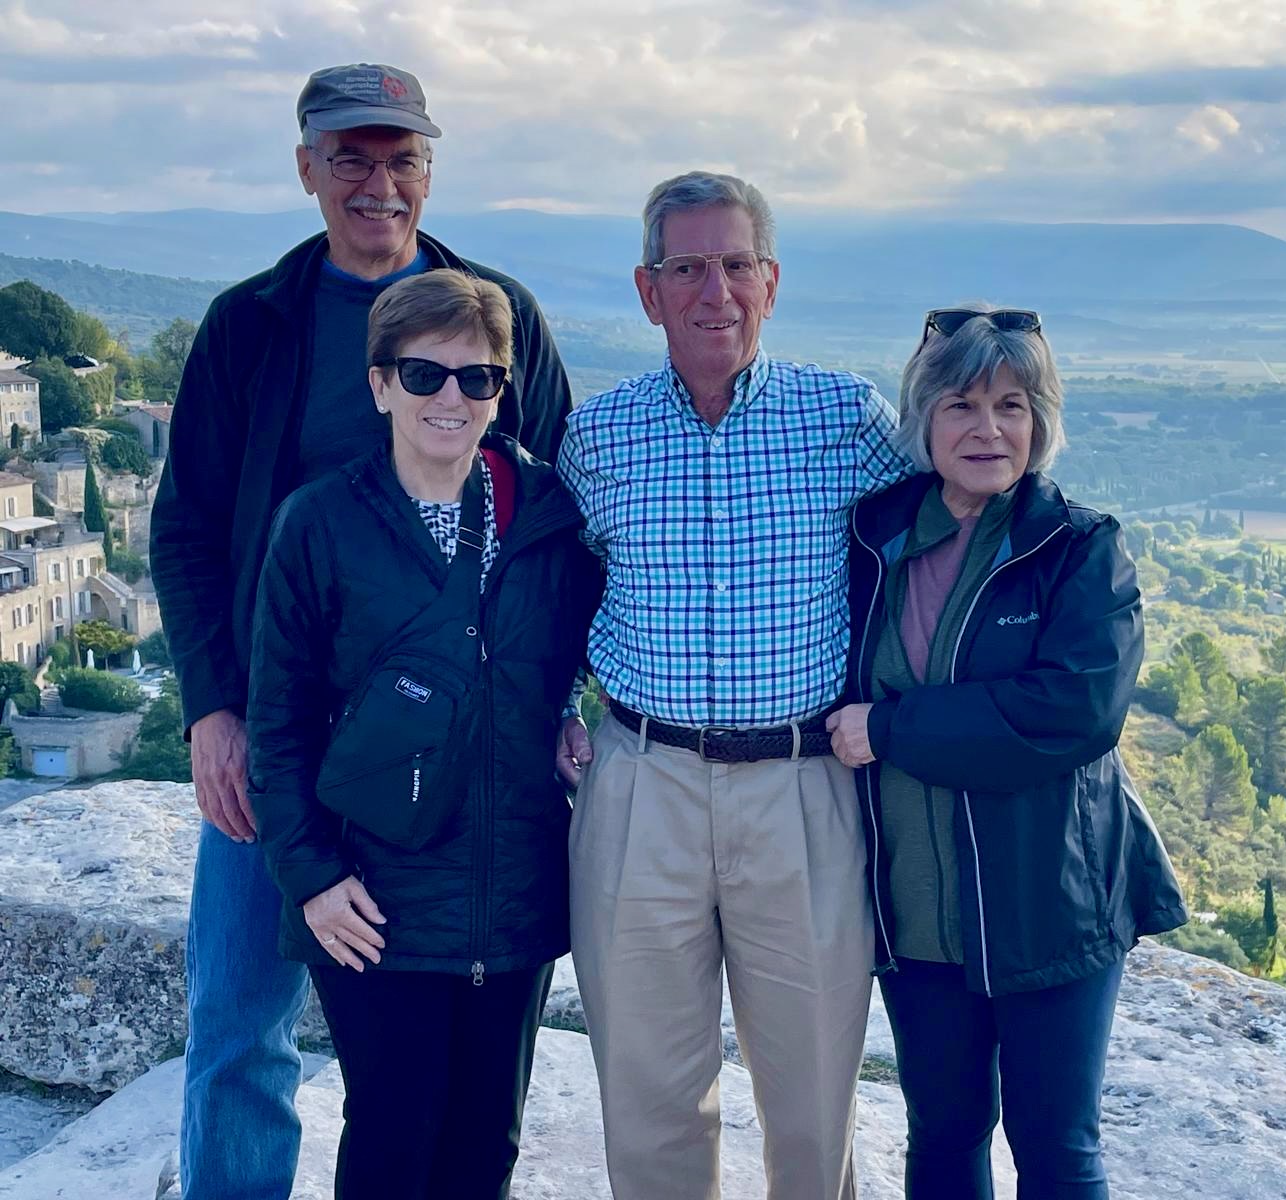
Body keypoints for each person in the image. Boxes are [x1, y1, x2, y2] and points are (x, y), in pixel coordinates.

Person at [148, 63, 569, 1200]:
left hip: (454, 746)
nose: (379, 184)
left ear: (430, 171)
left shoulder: (498, 317)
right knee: (240, 1018)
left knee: (437, 1087)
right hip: (278, 729)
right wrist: (211, 710)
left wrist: (563, 705)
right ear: (307, 168)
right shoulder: (252, 324)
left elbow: (556, 520)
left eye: (403, 160)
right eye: (351, 158)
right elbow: (186, 529)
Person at [555, 170, 914, 1200]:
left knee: (813, 1097)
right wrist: (554, 707)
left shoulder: (845, 418)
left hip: (802, 785)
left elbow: (938, 545)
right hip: (641, 781)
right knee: (648, 1096)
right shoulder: (599, 437)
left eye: (735, 265)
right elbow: (554, 590)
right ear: (648, 291)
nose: (714, 291)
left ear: (771, 281)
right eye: (686, 269)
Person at [247, 269, 600, 1199]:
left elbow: (582, 646)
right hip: (373, 898)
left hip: (512, 888)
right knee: (393, 1140)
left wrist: (572, 711)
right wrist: (311, 878)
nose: (452, 397)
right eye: (423, 375)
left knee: (486, 1146)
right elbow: (276, 720)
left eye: (478, 378)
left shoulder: (550, 517)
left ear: (502, 390)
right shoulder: (320, 523)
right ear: (379, 385)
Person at [826, 305, 1188, 1200]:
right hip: (916, 914)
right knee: (944, 1137)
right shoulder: (871, 538)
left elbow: (1073, 712)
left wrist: (890, 729)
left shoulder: (1079, 548)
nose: (987, 428)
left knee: (1055, 1149)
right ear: (924, 419)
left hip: (1047, 905)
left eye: (1011, 406)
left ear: (1040, 422)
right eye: (961, 405)